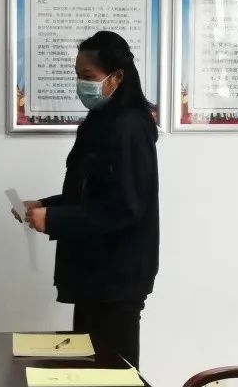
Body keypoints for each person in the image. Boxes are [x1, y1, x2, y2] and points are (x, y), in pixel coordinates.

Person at [21, 31, 159, 367]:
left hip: (117, 275)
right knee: (87, 370)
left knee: (113, 376)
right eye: (77, 75)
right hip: (94, 272)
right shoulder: (102, 120)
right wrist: (47, 205)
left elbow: (125, 206)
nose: (81, 85)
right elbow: (92, 190)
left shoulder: (129, 127)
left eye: (88, 76)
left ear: (117, 77)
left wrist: (55, 219)